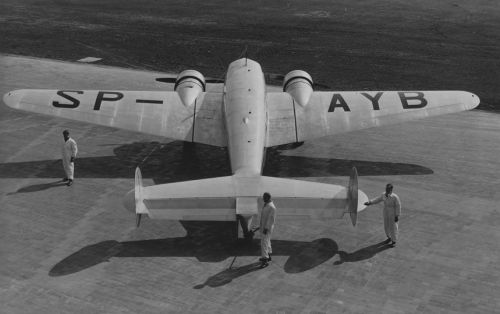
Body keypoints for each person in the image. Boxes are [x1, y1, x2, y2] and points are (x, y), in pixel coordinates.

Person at [364, 183, 401, 248]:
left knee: (393, 227)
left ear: (391, 189)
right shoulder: (383, 195)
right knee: (386, 226)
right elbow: (378, 199)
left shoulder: (395, 197)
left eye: (388, 189)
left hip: (392, 213)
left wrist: (397, 215)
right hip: (385, 212)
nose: (387, 190)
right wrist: (370, 202)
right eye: (386, 189)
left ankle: (394, 241)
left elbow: (398, 206)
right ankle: (389, 237)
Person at [259, 192, 276, 267]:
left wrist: (266, 228)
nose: (263, 198)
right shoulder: (266, 205)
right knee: (267, 241)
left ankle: (265, 259)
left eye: (264, 197)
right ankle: (268, 255)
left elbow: (271, 219)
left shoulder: (272, 207)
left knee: (264, 243)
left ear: (268, 198)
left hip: (267, 228)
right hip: (264, 226)